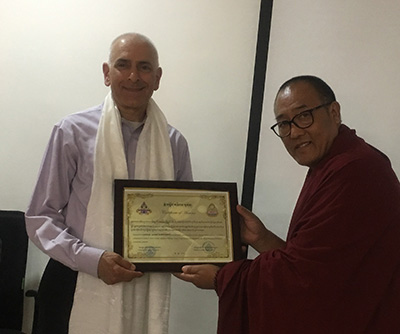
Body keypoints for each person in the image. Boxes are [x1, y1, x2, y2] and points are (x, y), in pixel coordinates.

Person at [176, 75, 400, 333]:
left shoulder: (357, 171)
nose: (293, 132)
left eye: (304, 116)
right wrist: (261, 237)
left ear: (334, 112)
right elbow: (315, 267)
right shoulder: (332, 166)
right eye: (283, 124)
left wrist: (221, 278)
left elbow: (303, 279)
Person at [25, 32, 192, 334]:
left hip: (144, 284)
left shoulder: (173, 143)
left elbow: (181, 220)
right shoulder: (72, 132)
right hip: (72, 282)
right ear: (106, 73)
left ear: (157, 77)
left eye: (144, 67)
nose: (133, 76)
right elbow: (40, 217)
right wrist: (92, 260)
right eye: (122, 65)